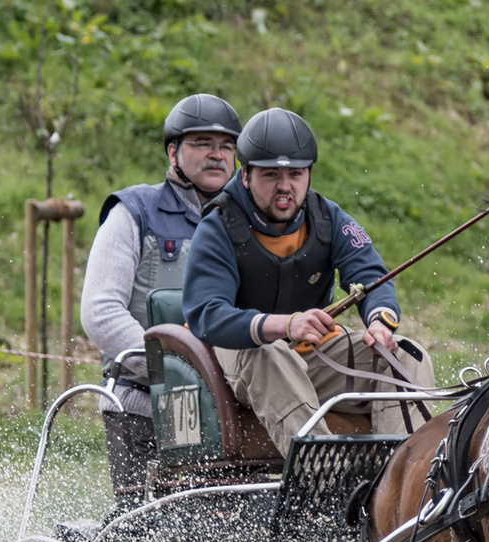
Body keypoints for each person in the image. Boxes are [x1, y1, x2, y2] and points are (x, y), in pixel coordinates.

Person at [182, 107, 435, 457]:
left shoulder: (329, 218)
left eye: (296, 174)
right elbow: (207, 315)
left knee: (409, 355)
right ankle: (320, 478)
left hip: (312, 351)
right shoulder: (217, 228)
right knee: (270, 351)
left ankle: (403, 481)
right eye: (271, 175)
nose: (285, 187)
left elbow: (370, 276)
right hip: (239, 358)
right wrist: (285, 324)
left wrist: (378, 320)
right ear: (245, 175)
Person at [80, 93, 242, 500]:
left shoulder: (248, 223)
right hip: (143, 407)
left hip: (231, 413)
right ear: (173, 152)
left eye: (226, 146)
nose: (217, 155)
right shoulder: (133, 212)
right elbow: (100, 312)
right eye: (203, 144)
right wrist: (172, 374)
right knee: (147, 541)